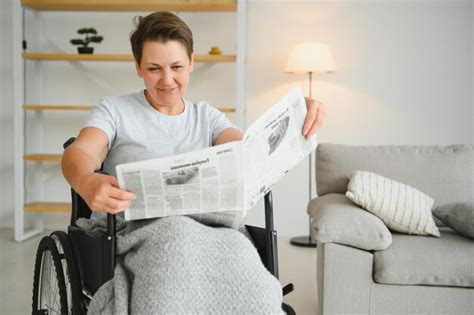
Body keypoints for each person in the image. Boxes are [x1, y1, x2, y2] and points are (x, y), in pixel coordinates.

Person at [62, 11, 325, 219]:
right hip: (135, 234)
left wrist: (300, 110)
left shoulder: (208, 117)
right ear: (138, 67)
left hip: (206, 230)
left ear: (191, 62)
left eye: (176, 66)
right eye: (154, 68)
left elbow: (245, 152)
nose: (167, 80)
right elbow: (81, 152)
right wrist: (85, 181)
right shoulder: (114, 111)